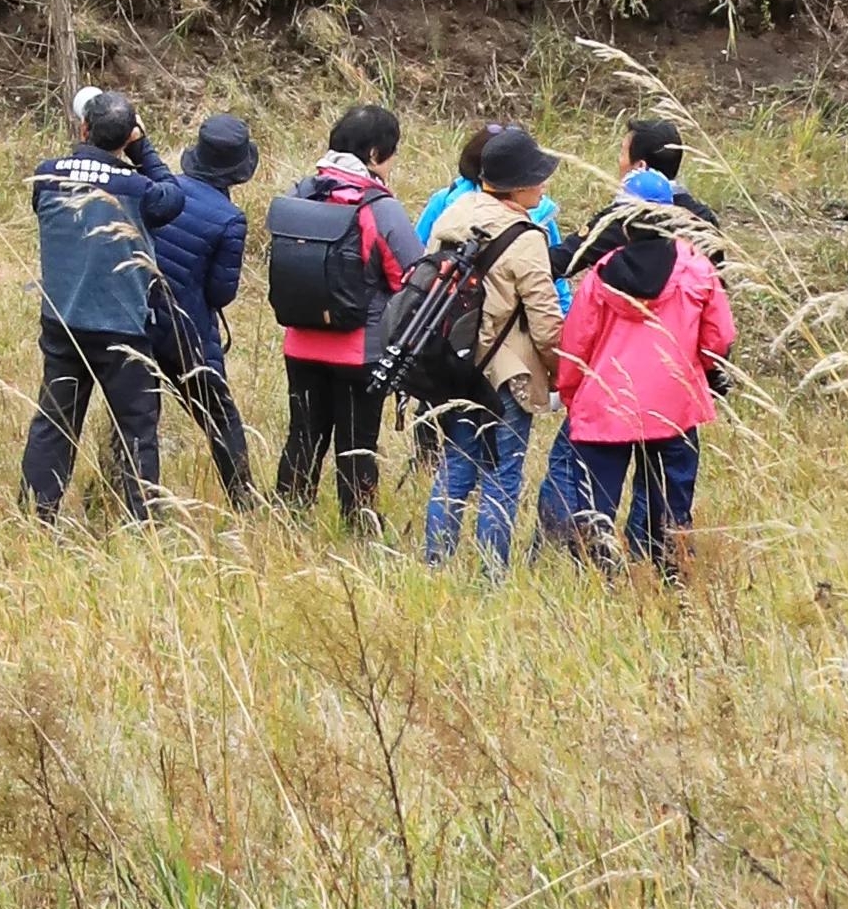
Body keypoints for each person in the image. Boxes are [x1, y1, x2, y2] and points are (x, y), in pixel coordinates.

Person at [551, 161, 735, 575]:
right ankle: (667, 577)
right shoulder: (697, 268)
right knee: (670, 504)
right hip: (674, 405)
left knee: (596, 508)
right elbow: (719, 339)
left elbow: (576, 343)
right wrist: (698, 372)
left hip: (607, 404)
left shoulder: (601, 272)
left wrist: (571, 393)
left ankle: (598, 582)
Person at [22, 82, 186, 522]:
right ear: (129, 135)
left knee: (54, 424)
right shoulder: (137, 187)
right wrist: (143, 148)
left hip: (62, 321)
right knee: (138, 428)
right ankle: (142, 522)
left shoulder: (46, 175)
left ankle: (36, 517)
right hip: (121, 326)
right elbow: (172, 198)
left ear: (82, 127)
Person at [415, 127, 565, 568]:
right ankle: (490, 575)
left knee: (456, 465)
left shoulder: (454, 214)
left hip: (455, 365)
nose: (543, 184)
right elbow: (546, 325)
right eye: (538, 177)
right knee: (502, 474)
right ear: (518, 185)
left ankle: (435, 564)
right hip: (505, 376)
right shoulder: (527, 237)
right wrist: (562, 376)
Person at [269, 99, 412, 523]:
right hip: (358, 350)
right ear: (374, 155)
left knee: (303, 436)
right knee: (356, 445)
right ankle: (358, 527)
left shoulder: (299, 194)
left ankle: (287, 521)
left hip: (299, 343)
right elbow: (409, 275)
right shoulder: (377, 207)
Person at [152, 106, 260, 508]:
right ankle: (244, 501)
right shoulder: (230, 218)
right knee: (220, 417)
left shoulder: (161, 188)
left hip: (138, 320)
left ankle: (114, 494)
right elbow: (221, 293)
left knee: (134, 417)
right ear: (239, 169)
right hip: (187, 333)